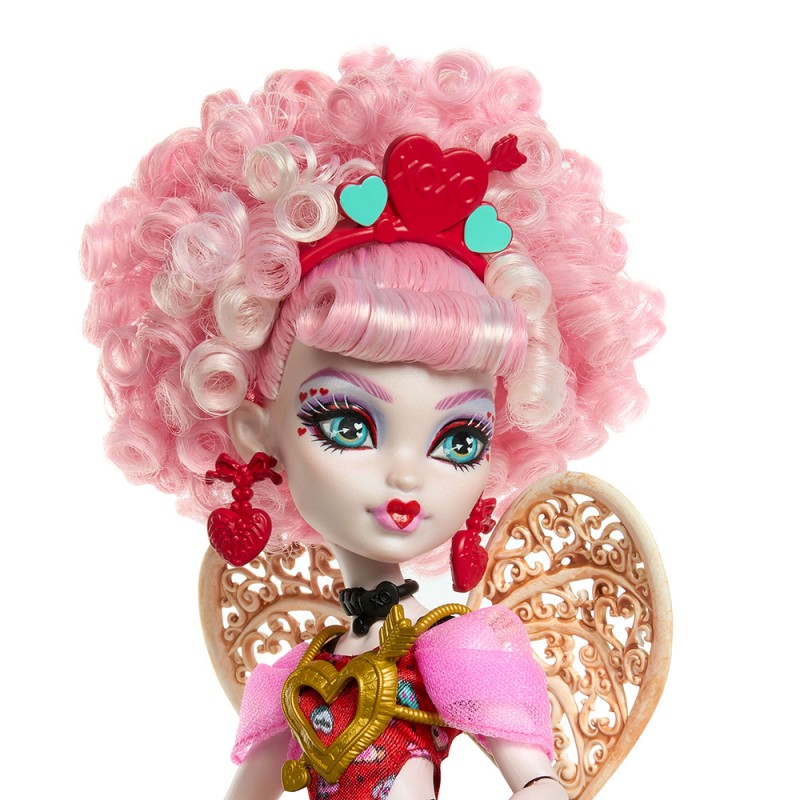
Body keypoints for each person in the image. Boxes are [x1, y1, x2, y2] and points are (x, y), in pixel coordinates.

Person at [82, 48, 662, 800]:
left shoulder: (454, 649)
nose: (406, 476)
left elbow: (538, 783)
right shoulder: (297, 676)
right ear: (256, 430)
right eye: (349, 426)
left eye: (459, 440)